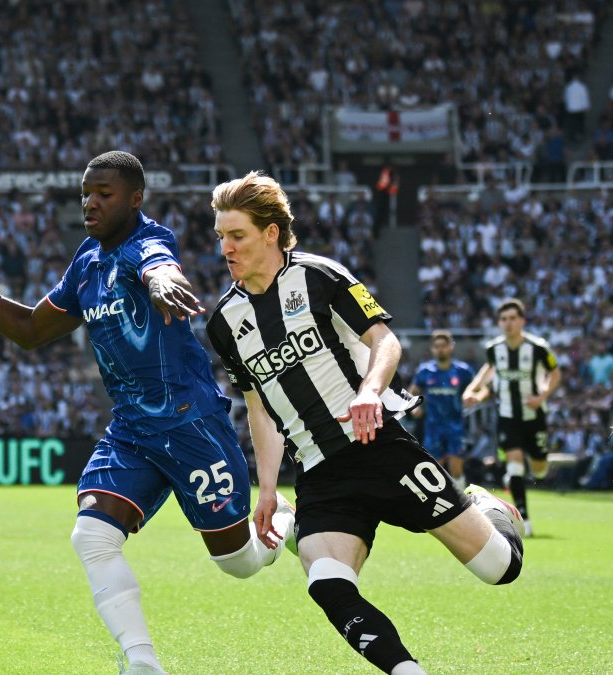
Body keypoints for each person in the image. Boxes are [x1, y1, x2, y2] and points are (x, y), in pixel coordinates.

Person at [0, 151, 296, 674]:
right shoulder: (86, 264)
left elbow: (159, 263)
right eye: (86, 193)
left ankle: (284, 519)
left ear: (135, 199)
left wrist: (160, 281)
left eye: (104, 194)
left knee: (238, 563)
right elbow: (30, 332)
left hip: (188, 421)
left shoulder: (147, 242)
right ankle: (142, 664)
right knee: (91, 536)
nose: (91, 203)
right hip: (131, 428)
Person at [204, 172, 523, 674]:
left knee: (501, 569)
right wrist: (265, 488)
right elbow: (259, 406)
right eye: (220, 236)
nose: (226, 247)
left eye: (236, 235)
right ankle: (407, 671)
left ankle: (485, 505)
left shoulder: (319, 276)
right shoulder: (224, 322)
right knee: (326, 583)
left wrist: (370, 391)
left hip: (379, 447)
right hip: (319, 469)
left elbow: (385, 341)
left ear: (270, 232)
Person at [463, 299, 562, 537]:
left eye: (512, 319)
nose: (508, 323)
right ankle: (524, 519)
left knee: (539, 469)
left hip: (534, 415)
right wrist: (473, 391)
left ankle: (529, 468)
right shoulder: (494, 349)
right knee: (515, 462)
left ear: (522, 321)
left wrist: (542, 395)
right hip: (507, 415)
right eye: (504, 319)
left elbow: (555, 373)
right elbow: (489, 374)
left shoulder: (538, 347)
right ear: (499, 322)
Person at [410, 330, 476, 492]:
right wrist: (415, 407)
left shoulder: (463, 371)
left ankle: (463, 501)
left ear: (451, 347)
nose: (440, 349)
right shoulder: (425, 371)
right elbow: (412, 393)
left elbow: (479, 388)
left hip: (456, 426)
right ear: (432, 349)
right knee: (435, 469)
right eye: (437, 346)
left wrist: (474, 397)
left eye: (443, 346)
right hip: (433, 427)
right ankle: (439, 506)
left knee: (456, 467)